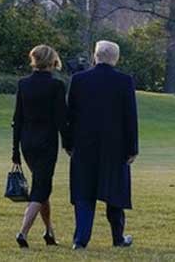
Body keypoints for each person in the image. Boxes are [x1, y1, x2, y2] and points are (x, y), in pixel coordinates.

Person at [65, 40, 138, 249]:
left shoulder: (78, 80)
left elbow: (70, 114)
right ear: (116, 58)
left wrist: (68, 143)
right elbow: (130, 117)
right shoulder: (124, 81)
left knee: (83, 193)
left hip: (84, 145)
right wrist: (132, 148)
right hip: (116, 147)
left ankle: (80, 240)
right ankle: (118, 237)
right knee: (114, 192)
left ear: (95, 55)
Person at [11, 44, 68, 248]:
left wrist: (15, 150)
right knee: (42, 188)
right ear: (52, 61)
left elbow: (17, 118)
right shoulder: (56, 86)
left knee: (41, 186)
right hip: (46, 142)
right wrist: (68, 144)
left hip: (27, 142)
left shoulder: (23, 84)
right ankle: (23, 232)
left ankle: (49, 232)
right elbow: (61, 119)